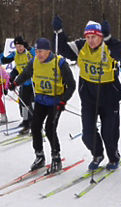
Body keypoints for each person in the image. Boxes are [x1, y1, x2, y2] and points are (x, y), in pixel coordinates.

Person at [54, 17, 121, 170]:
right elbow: (63, 49)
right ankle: (97, 154)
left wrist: (108, 39)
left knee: (109, 133)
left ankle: (114, 156)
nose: (91, 40)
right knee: (87, 133)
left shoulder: (109, 46)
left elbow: (120, 53)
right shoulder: (81, 46)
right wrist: (59, 32)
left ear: (101, 36)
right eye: (88, 37)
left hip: (109, 96)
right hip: (89, 97)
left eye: (94, 37)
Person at [9, 38, 76, 173]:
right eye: (37, 51)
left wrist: (63, 100)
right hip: (40, 100)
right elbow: (25, 74)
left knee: (50, 128)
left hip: (55, 102)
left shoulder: (60, 63)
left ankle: (56, 157)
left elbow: (71, 85)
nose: (38, 54)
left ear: (48, 51)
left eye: (41, 52)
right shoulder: (34, 62)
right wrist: (15, 83)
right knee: (35, 127)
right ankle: (39, 156)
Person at [0, 36, 35, 134]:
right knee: (23, 105)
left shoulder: (29, 53)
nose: (19, 48)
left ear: (24, 45)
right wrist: (0, 52)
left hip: (34, 82)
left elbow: (37, 56)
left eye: (20, 46)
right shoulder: (15, 54)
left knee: (33, 104)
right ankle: (26, 122)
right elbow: (5, 61)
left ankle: (35, 124)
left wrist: (30, 48)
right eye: (17, 46)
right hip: (23, 83)